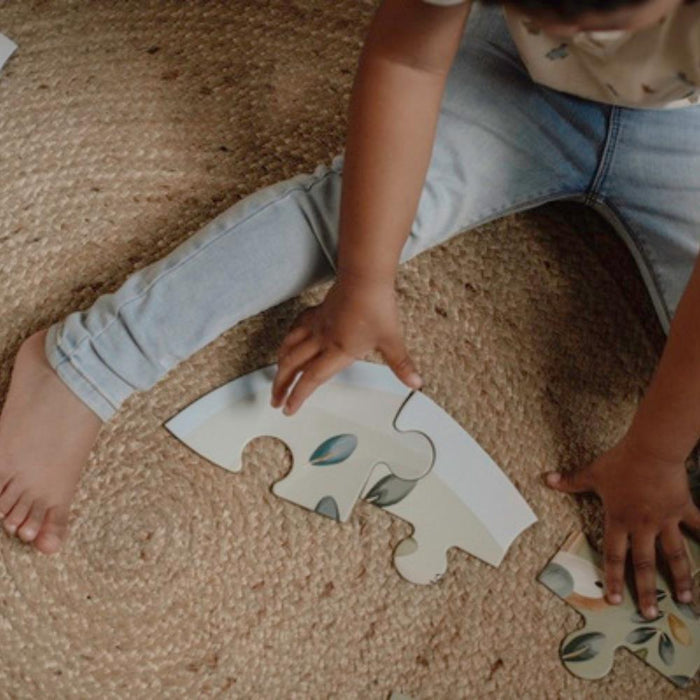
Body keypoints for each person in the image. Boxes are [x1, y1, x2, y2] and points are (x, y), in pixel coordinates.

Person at [0, 0, 698, 624]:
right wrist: (365, 280)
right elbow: (406, 59)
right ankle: (86, 364)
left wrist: (656, 454)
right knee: (349, 212)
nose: (575, 31)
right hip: (513, 77)